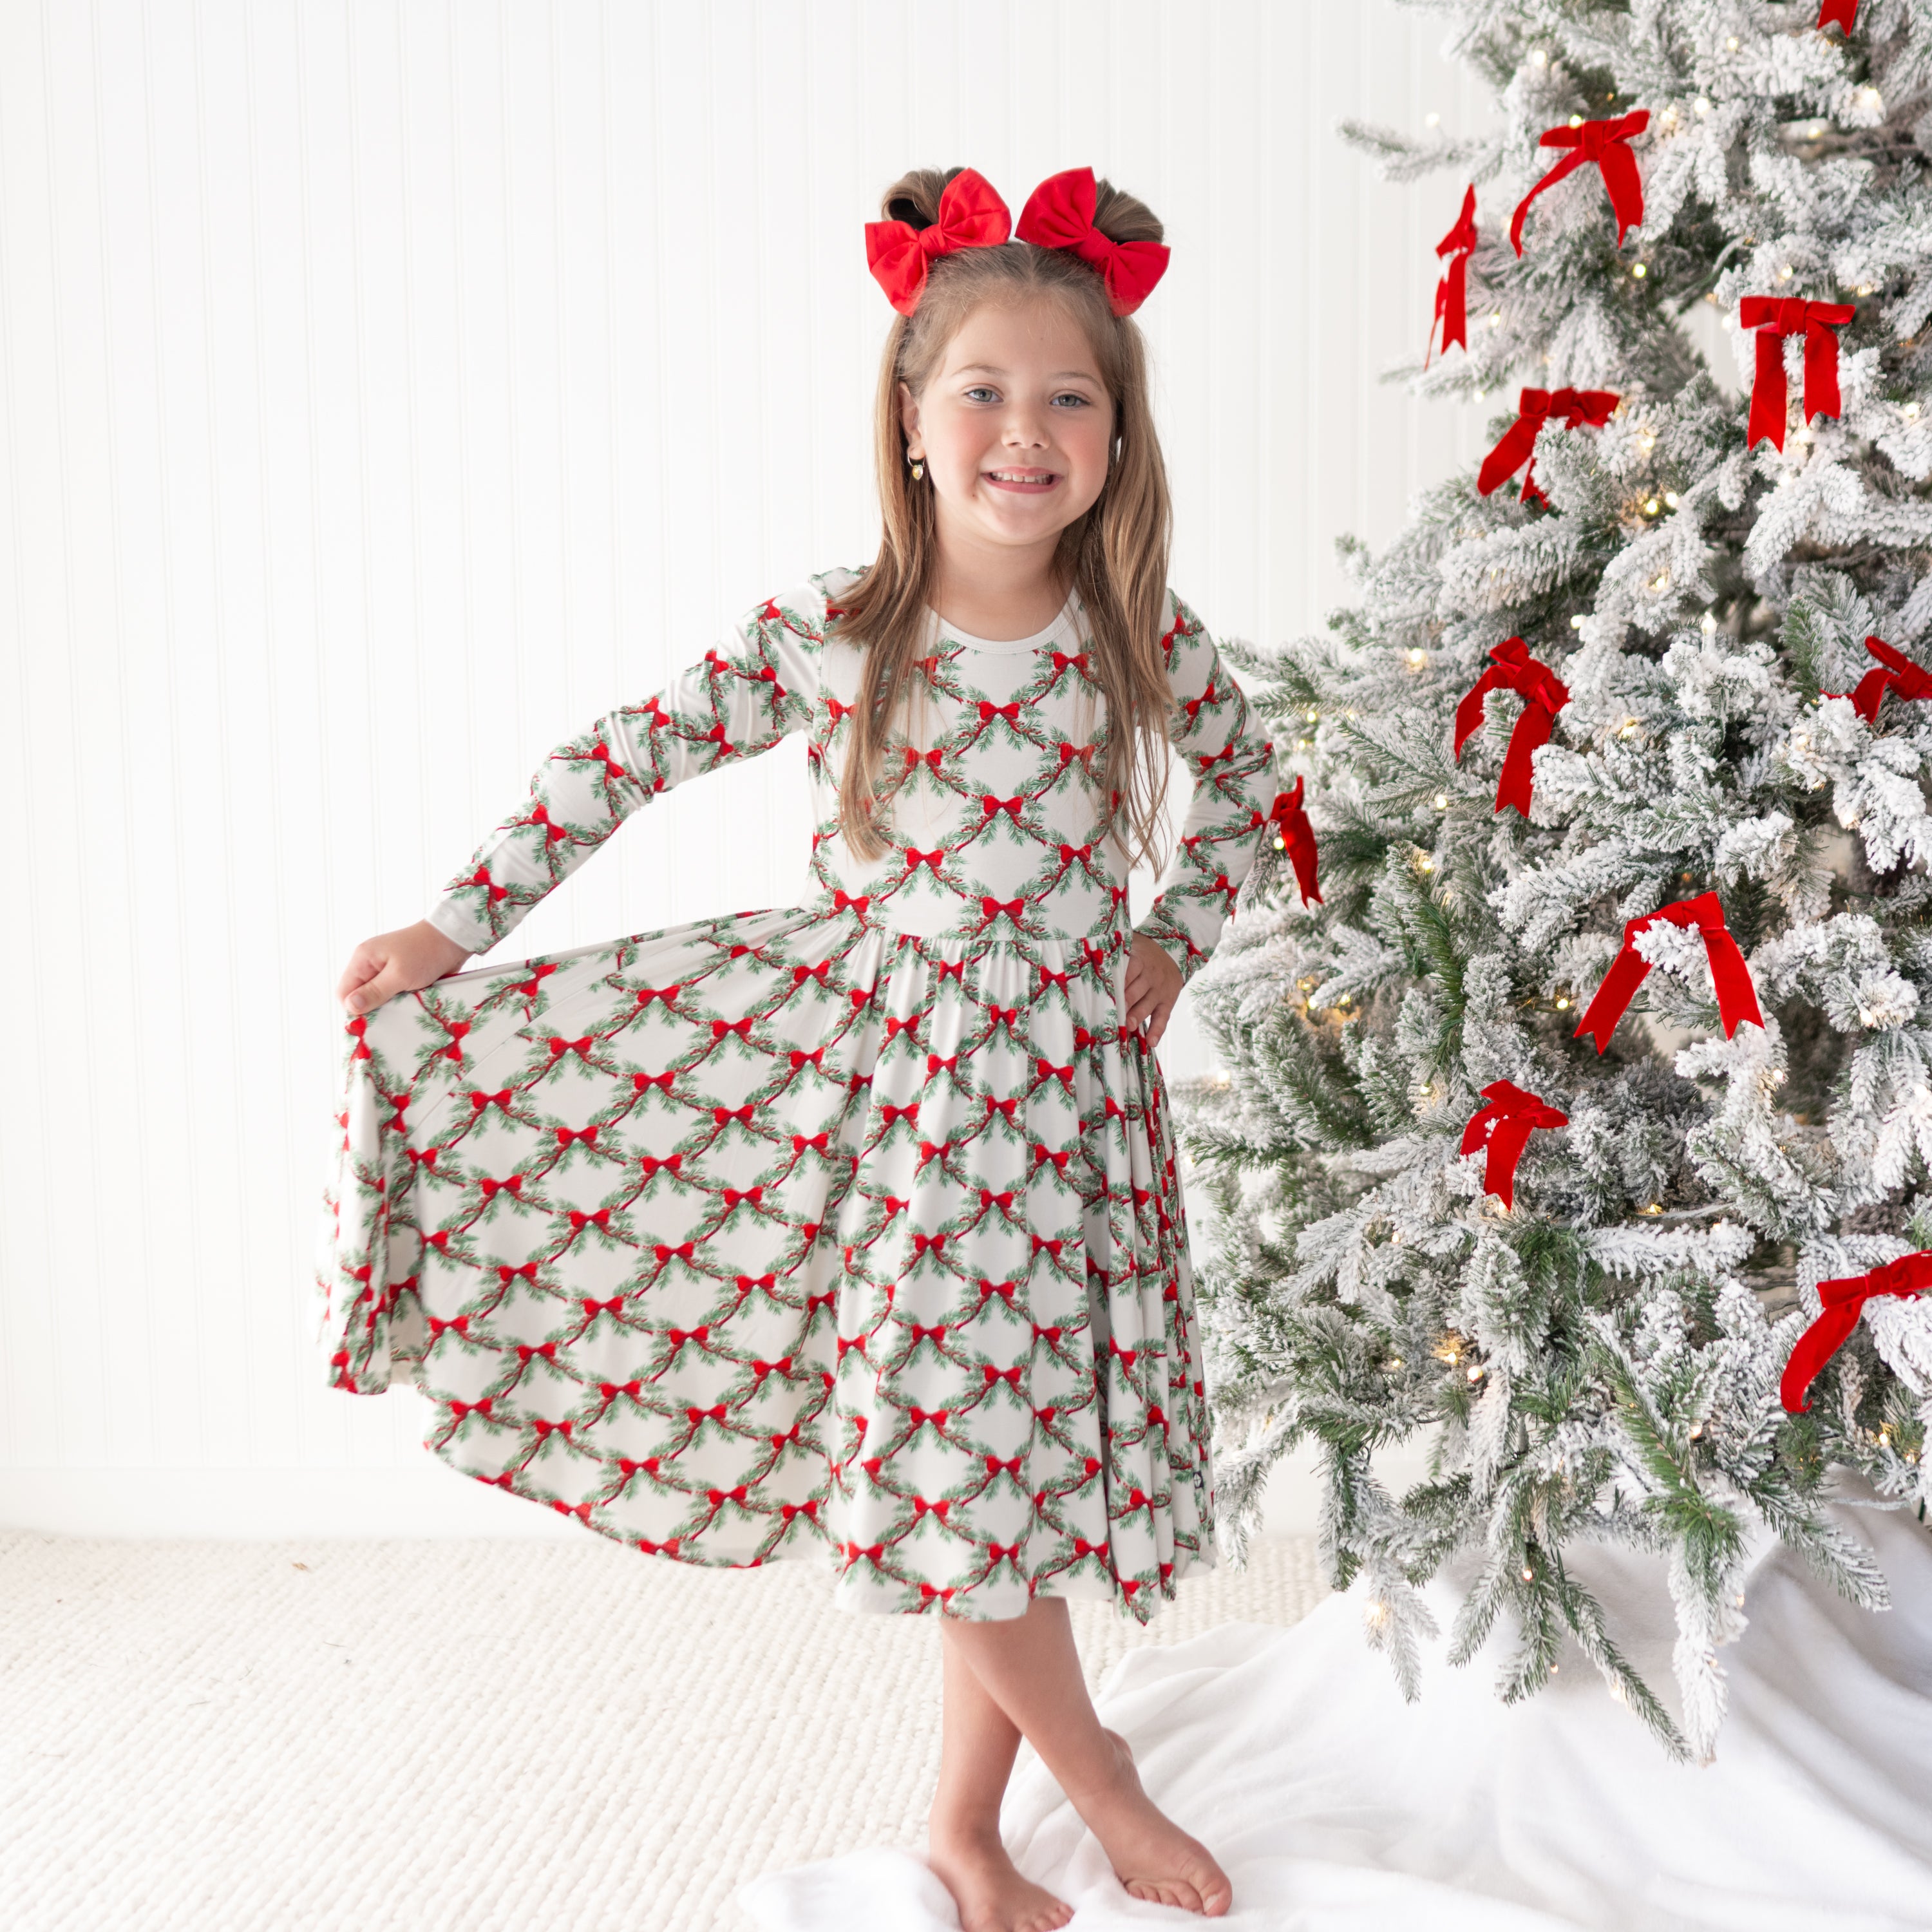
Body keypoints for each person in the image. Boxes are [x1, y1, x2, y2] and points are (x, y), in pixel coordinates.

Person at [318, 162, 1273, 1930]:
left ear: (1119, 440)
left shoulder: (1137, 633)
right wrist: (459, 928)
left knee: (1006, 1477)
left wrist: (1164, 940)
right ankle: (1094, 1778)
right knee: (955, 1460)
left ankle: (963, 1836)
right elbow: (626, 754)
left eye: (1071, 397)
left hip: (1067, 1108)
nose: (1025, 428)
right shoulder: (842, 633)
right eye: (981, 390)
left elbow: (1256, 794)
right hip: (897, 1109)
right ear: (912, 423)